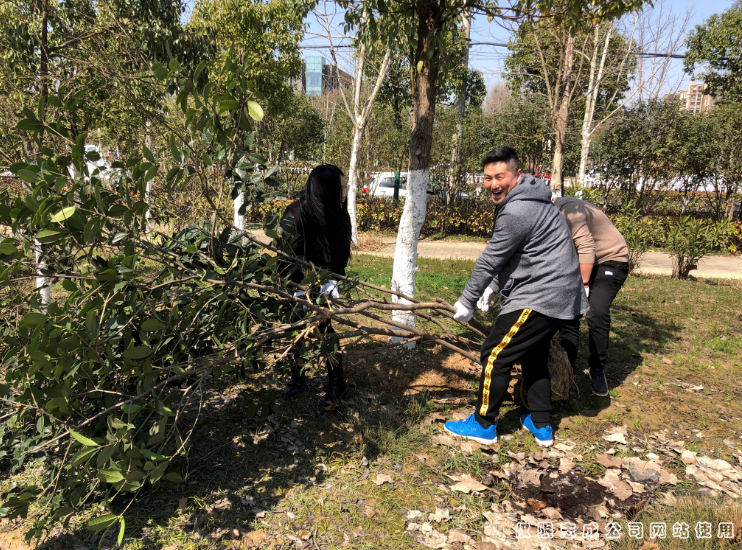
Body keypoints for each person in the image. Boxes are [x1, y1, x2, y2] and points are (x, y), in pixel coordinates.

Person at [444, 146, 588, 447]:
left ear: (517, 175)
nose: (493, 184)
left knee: (495, 354)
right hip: (560, 293)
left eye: (500, 177)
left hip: (541, 294)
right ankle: (541, 422)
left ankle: (483, 424)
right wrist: (492, 288)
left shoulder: (518, 209)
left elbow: (490, 259)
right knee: (533, 354)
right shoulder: (533, 199)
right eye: (487, 178)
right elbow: (521, 255)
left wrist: (467, 300)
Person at [278, 164, 351, 406]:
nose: (345, 193)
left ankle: (337, 384)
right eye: (341, 188)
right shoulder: (296, 214)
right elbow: (286, 256)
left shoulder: (339, 213)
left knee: (324, 327)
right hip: (296, 280)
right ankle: (297, 376)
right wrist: (297, 288)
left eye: (345, 188)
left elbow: (339, 257)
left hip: (325, 279)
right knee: (295, 327)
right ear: (326, 189)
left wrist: (327, 283)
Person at [553, 196, 629, 397]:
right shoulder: (544, 215)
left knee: (596, 311)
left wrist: (584, 284)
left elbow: (586, 246)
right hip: (582, 262)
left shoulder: (569, 209)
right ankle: (567, 369)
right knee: (569, 313)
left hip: (610, 260)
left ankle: (598, 368)